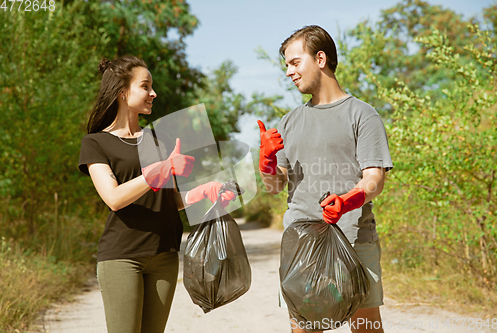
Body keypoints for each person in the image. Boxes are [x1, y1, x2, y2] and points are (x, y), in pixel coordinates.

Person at [78, 55, 234, 333]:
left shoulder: (158, 140)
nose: (154, 93)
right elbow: (113, 198)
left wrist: (202, 192)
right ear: (122, 92)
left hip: (165, 254)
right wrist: (158, 171)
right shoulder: (95, 143)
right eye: (145, 86)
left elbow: (169, 200)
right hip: (122, 256)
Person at [257, 25, 393, 333]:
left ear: (320, 58)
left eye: (294, 62)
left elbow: (375, 179)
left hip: (354, 239)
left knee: (366, 328)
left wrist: (347, 202)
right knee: (305, 329)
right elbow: (275, 186)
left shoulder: (362, 114)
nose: (289, 71)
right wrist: (265, 162)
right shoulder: (288, 121)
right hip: (301, 244)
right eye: (286, 65)